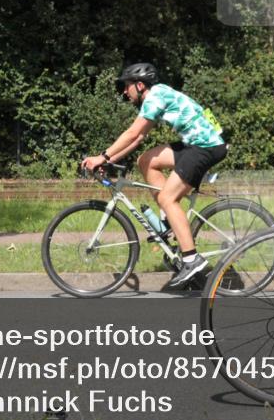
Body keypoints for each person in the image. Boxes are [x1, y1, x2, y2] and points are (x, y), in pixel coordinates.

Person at [80, 63, 228, 288]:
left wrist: (101, 157)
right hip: (196, 144)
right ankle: (169, 222)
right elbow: (138, 139)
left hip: (205, 146)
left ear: (140, 85)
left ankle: (191, 259)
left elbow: (132, 133)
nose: (124, 91)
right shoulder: (157, 95)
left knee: (169, 198)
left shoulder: (155, 97)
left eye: (127, 86)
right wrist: (109, 160)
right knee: (146, 160)